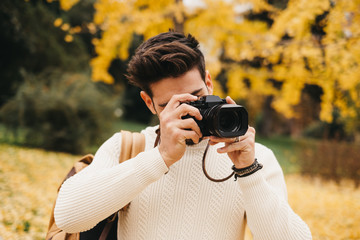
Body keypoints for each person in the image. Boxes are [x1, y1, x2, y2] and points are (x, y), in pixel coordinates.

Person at [54, 31, 312, 239]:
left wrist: (248, 171)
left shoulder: (256, 157)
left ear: (209, 82)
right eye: (172, 105)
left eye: (197, 98)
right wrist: (160, 157)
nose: (189, 114)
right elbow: (68, 217)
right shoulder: (128, 147)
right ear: (149, 102)